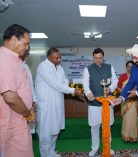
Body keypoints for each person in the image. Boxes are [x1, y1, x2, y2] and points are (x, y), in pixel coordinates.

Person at [35, 48, 83, 157]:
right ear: (49, 57)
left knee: (55, 129)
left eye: (60, 57)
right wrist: (73, 91)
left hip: (57, 103)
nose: (59, 59)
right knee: (45, 132)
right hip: (46, 104)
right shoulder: (43, 66)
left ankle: (51, 152)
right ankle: (45, 154)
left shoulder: (60, 67)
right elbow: (55, 84)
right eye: (57, 58)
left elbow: (64, 80)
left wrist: (68, 85)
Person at [0, 24, 35, 157]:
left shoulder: (13, 59)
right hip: (11, 124)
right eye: (26, 43)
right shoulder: (3, 59)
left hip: (18, 121)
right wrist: (28, 114)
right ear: (14, 39)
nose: (27, 48)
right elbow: (10, 96)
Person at [83, 48, 118, 156]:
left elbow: (115, 80)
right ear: (93, 58)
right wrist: (88, 93)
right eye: (96, 58)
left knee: (107, 127)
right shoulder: (87, 69)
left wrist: (111, 88)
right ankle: (94, 148)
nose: (98, 60)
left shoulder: (109, 67)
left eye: (100, 58)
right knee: (94, 127)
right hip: (94, 104)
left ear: (103, 58)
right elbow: (85, 84)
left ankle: (108, 147)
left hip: (107, 104)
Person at [117, 60, 138, 142]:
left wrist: (135, 92)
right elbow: (118, 87)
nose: (130, 68)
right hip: (124, 100)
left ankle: (133, 136)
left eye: (132, 66)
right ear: (126, 67)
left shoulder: (137, 75)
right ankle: (125, 136)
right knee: (126, 117)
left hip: (134, 100)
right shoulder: (123, 76)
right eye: (128, 66)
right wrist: (122, 93)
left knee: (133, 117)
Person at [20, 46, 37, 134]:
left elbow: (31, 86)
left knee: (27, 133)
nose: (29, 53)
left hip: (28, 106)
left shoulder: (26, 66)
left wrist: (33, 101)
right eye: (26, 51)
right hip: (19, 107)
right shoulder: (10, 66)